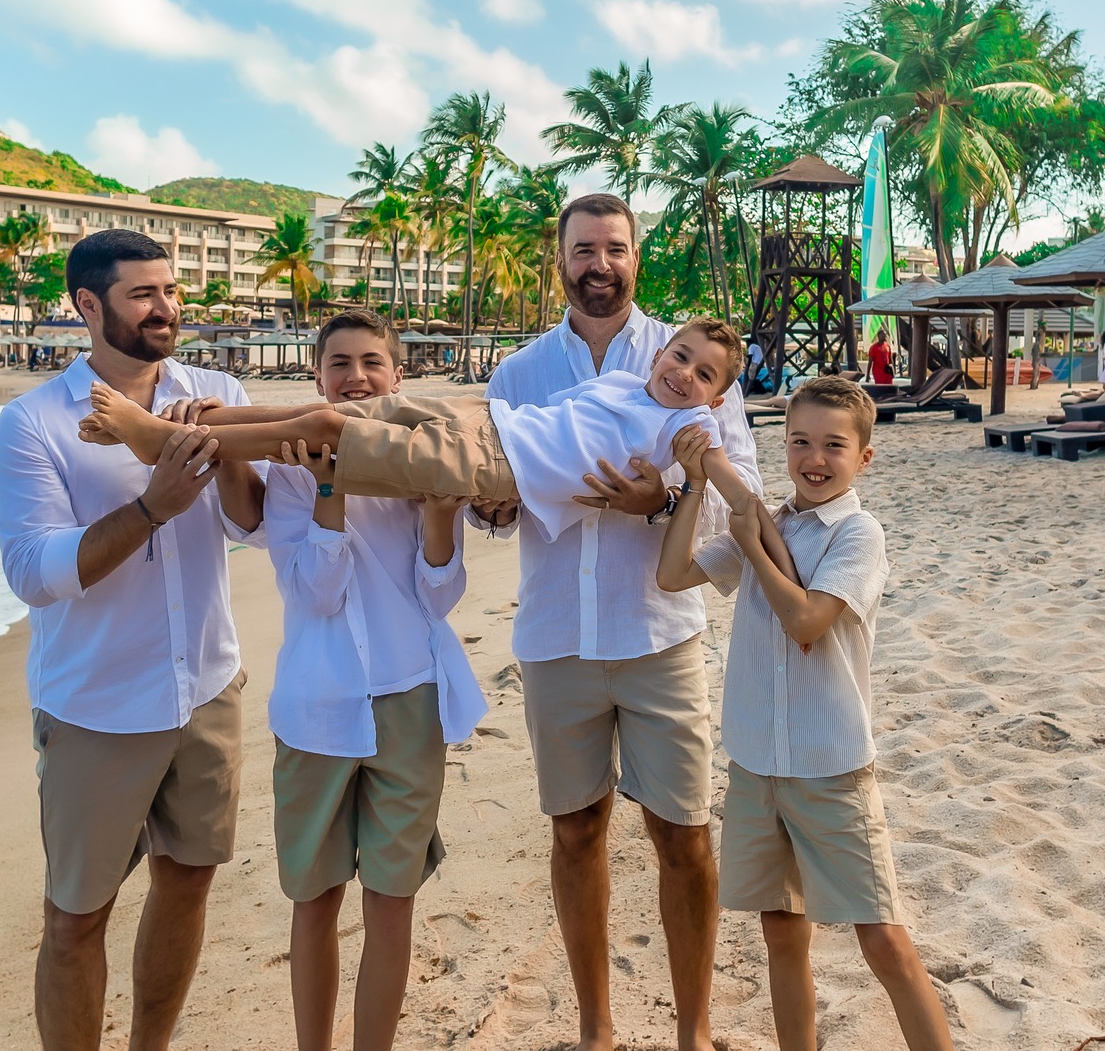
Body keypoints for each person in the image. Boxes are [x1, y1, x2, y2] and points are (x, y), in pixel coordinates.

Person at [485, 192, 762, 1051]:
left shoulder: (694, 361)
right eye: (583, 249)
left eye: (614, 247)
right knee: (576, 830)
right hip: (557, 629)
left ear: (637, 256)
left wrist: (663, 498)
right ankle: (597, 1028)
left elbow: (740, 496)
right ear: (559, 259)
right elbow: (489, 496)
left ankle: (694, 1029)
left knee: (682, 833)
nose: (599, 264)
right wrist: (489, 509)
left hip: (659, 630)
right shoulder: (519, 372)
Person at [0, 229, 269, 1051]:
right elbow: (34, 570)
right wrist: (155, 503)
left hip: (208, 687)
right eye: (144, 294)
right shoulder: (33, 423)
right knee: (76, 916)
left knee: (188, 885)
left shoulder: (215, 387)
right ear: (88, 305)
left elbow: (253, 520)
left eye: (170, 291)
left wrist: (221, 453)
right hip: (96, 704)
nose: (166, 308)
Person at [656, 378, 955, 1051]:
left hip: (830, 767)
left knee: (882, 938)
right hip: (758, 765)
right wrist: (698, 486)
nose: (814, 458)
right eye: (799, 442)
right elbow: (672, 575)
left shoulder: (858, 533)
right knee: (781, 932)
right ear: (781, 444)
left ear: (864, 457)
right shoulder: (769, 517)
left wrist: (755, 546)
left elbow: (806, 622)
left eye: (832, 446)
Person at [78, 316, 790, 576]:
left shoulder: (678, 426)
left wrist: (759, 516)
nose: (684, 374)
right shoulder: (629, 384)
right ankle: (213, 419)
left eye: (703, 375)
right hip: (485, 419)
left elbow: (726, 477)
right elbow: (553, 415)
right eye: (682, 355)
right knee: (333, 408)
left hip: (490, 463)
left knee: (330, 430)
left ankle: (170, 440)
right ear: (662, 347)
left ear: (717, 397)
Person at [258, 309, 484, 1051]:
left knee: (392, 903)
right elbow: (316, 593)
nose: (356, 377)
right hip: (317, 707)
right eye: (340, 364)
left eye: (371, 363)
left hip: (409, 698)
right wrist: (331, 489)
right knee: (315, 899)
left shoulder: (423, 459)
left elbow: (441, 595)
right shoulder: (289, 470)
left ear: (397, 375)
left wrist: (442, 517)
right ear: (316, 379)